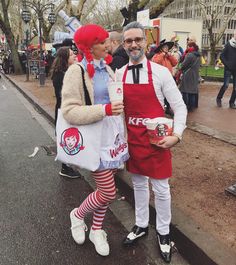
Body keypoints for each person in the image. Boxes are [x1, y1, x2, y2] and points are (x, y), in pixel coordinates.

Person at [116, 22, 187, 263]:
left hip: (157, 142)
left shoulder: (160, 72)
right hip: (134, 142)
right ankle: (141, 224)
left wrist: (176, 135)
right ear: (124, 44)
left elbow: (179, 107)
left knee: (161, 190)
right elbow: (119, 112)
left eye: (137, 39)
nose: (133, 44)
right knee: (138, 185)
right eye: (128, 41)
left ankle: (164, 233)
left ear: (145, 41)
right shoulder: (120, 74)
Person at [61, 24, 128, 256]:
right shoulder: (76, 72)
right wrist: (105, 110)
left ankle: (97, 229)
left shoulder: (107, 70)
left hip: (112, 139)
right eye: (102, 42)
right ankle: (77, 215)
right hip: (93, 140)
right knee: (108, 192)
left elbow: (115, 103)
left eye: (107, 41)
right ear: (89, 47)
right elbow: (69, 111)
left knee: (106, 188)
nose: (108, 44)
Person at [51, 46, 80, 178]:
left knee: (71, 136)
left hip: (69, 109)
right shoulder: (59, 74)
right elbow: (61, 95)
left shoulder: (68, 71)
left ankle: (69, 165)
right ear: (64, 58)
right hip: (63, 111)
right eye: (71, 54)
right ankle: (65, 168)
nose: (74, 55)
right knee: (65, 136)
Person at [216, 30, 236, 109]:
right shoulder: (228, 44)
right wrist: (227, 64)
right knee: (226, 85)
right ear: (234, 35)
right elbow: (222, 56)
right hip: (228, 69)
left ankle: (231, 102)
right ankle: (218, 98)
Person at [178, 42, 201, 112]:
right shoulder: (198, 55)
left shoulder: (189, 55)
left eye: (188, 46)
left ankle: (185, 106)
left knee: (185, 91)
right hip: (195, 75)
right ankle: (191, 107)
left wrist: (180, 67)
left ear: (191, 47)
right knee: (192, 92)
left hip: (188, 75)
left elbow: (183, 65)